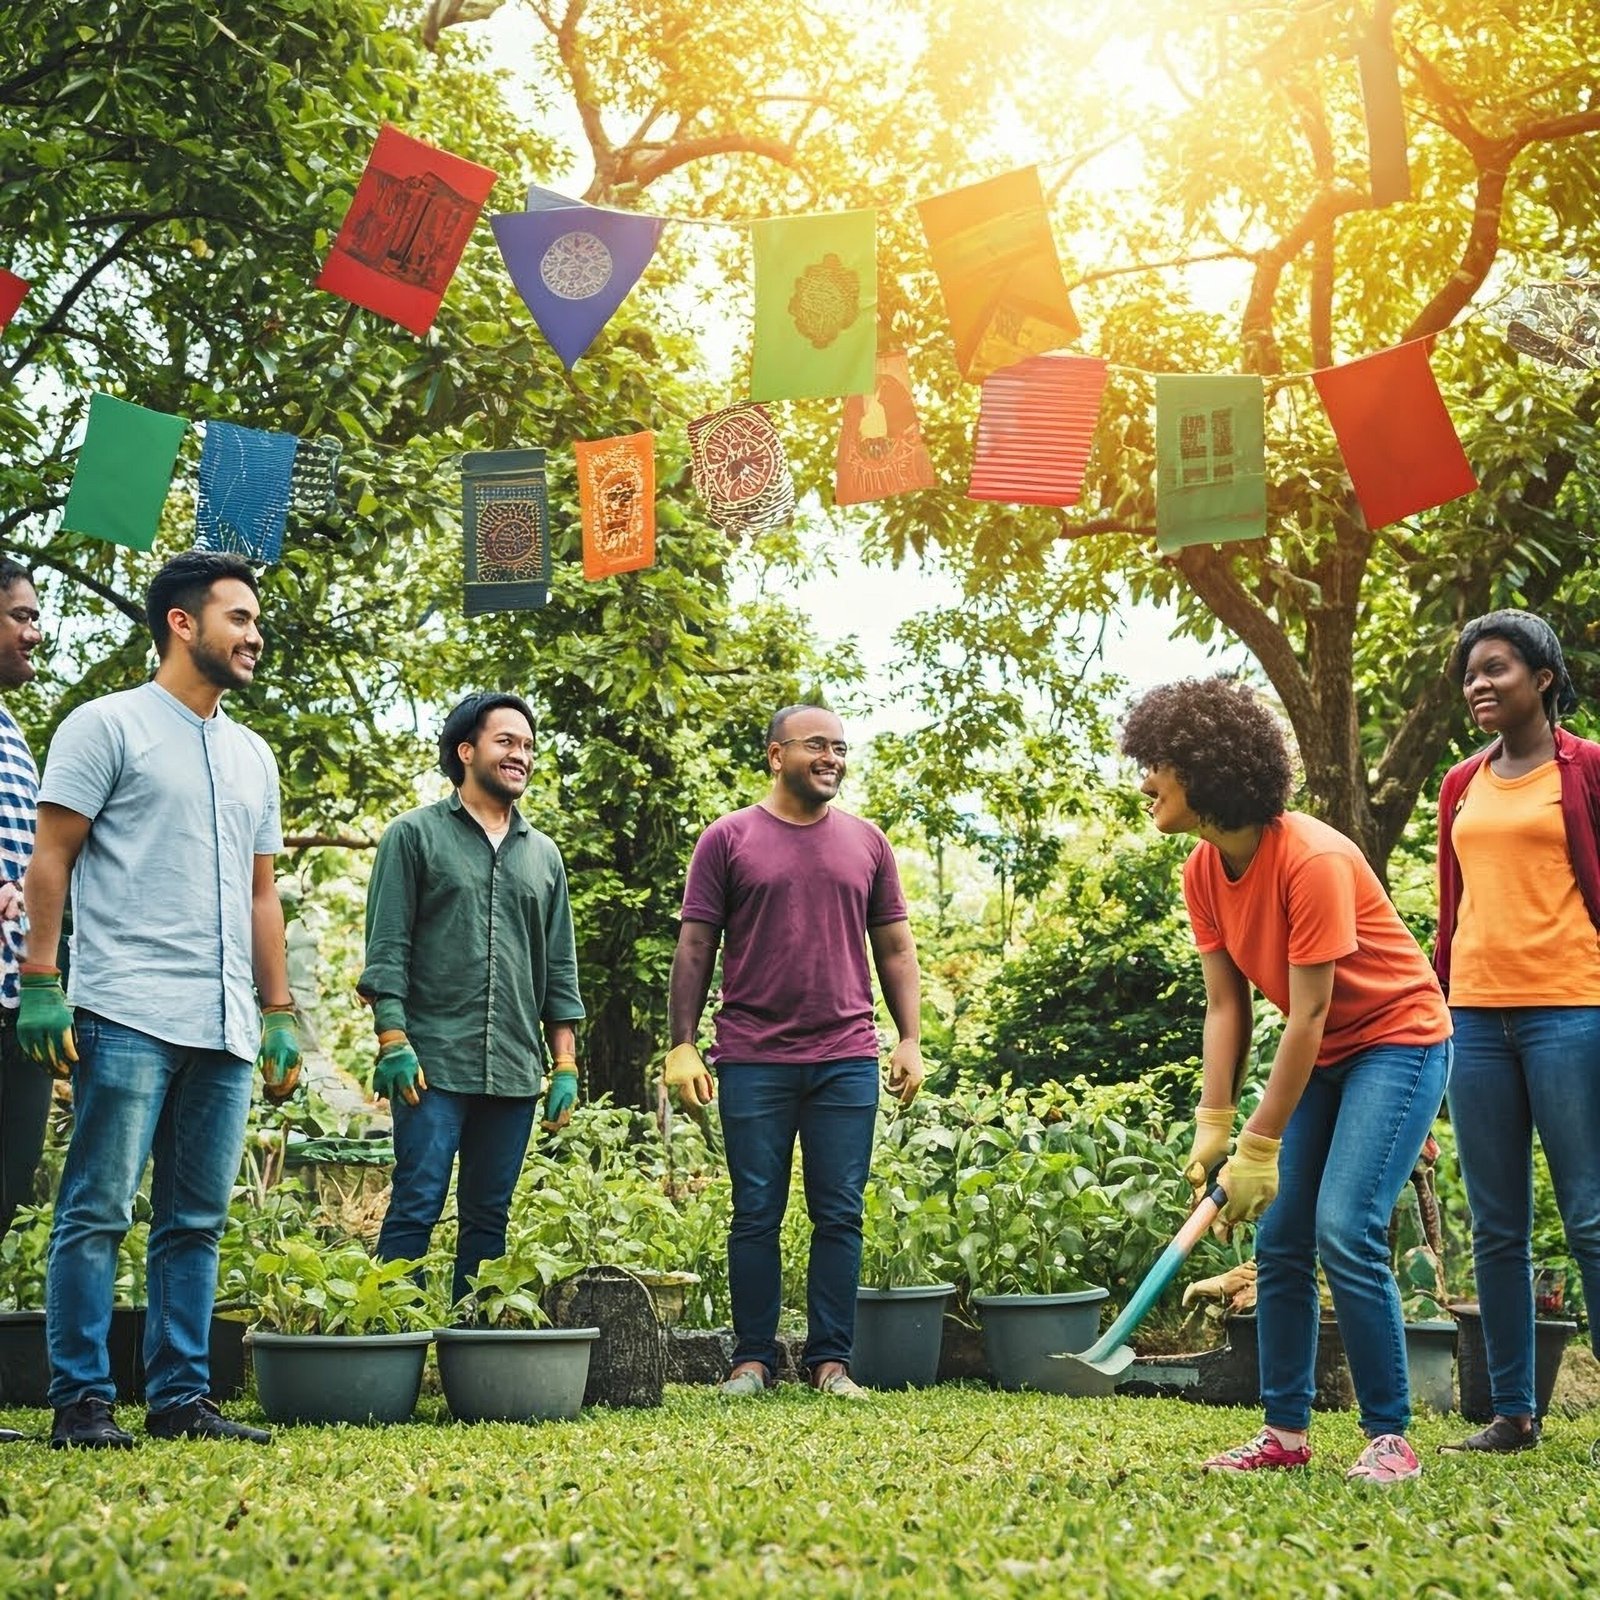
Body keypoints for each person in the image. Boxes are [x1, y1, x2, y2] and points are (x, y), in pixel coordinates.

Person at [1121, 676, 1451, 1483]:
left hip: (1397, 1041)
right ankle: (1285, 1435)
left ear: (1206, 767)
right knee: (1281, 1238)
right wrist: (1215, 1125)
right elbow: (1225, 1007)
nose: (1142, 780)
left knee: (1346, 1226)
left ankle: (1389, 1437)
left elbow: (1307, 1015)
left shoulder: (1312, 860)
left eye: (1156, 763)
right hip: (1329, 1054)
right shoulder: (1203, 870)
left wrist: (1260, 1148)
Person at [18, 549, 301, 1449]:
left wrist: (281, 1009)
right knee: (96, 1210)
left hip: (224, 1022)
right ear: (183, 624)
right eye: (240, 618)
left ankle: (181, 1399)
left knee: (196, 1219)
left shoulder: (255, 755)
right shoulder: (105, 726)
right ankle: (83, 1402)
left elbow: (264, 895)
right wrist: (40, 982)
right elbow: (51, 859)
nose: (255, 635)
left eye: (256, 621)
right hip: (124, 1008)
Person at [664, 704, 923, 1401]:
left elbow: (894, 945)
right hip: (752, 1055)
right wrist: (682, 1044)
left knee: (839, 1210)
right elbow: (695, 944)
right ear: (776, 755)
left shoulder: (867, 842)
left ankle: (830, 1362)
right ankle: (752, 1360)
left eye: (840, 748)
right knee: (755, 1210)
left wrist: (909, 1038)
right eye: (816, 746)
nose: (832, 758)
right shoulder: (728, 839)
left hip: (845, 1055)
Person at [1433, 609, 1600, 1454]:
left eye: (1496, 668)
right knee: (1496, 1224)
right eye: (1470, 674)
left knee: (1591, 1216)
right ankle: (1512, 1413)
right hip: (1476, 1017)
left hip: (1572, 1009)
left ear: (1542, 677)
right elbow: (1451, 906)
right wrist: (1441, 1003)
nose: (1479, 684)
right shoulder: (1461, 784)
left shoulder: (1588, 770)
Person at [359, 692, 585, 1310]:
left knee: (489, 1218)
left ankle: (472, 1346)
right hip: (430, 1063)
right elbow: (387, 949)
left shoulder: (544, 856)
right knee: (416, 1202)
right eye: (506, 741)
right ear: (466, 751)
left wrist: (563, 1064)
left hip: (514, 1069)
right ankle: (390, 1337)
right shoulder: (413, 837)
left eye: (529, 746)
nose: (522, 755)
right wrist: (393, 1040)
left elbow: (559, 969)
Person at [0, 557, 47, 1446]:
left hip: (16, 999)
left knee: (4, 1188)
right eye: (20, 616)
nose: (36, 631)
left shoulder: (11, 730)